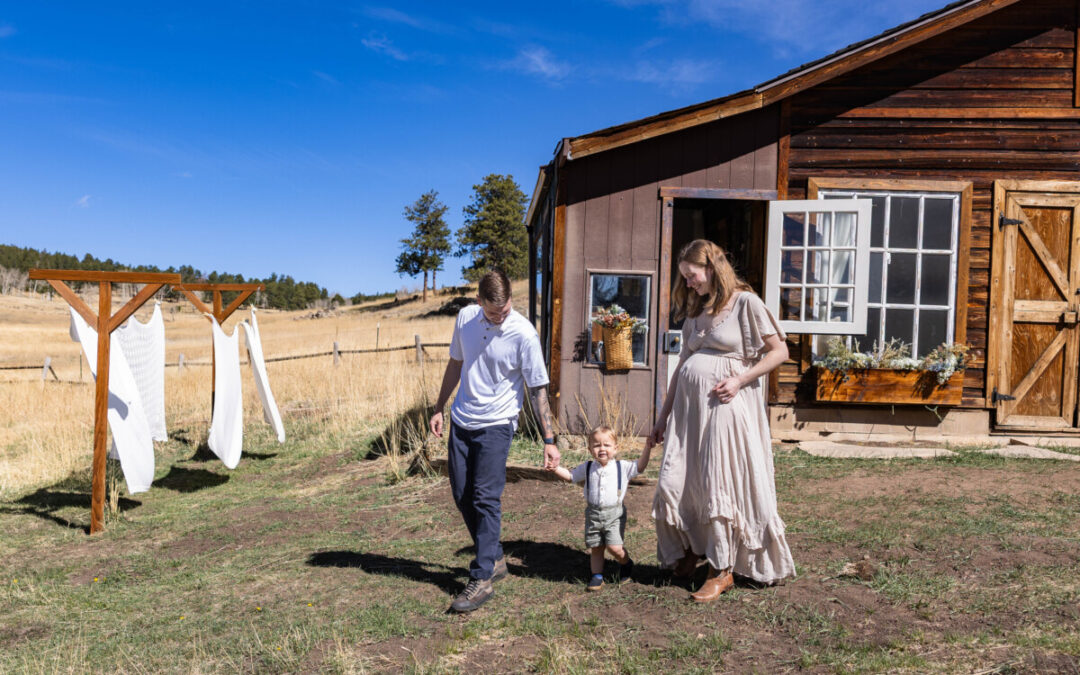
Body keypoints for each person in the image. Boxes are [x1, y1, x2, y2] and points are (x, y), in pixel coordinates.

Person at [647, 239, 795, 603]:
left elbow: (780, 351)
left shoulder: (746, 303)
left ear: (711, 268)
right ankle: (692, 550)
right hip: (689, 413)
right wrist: (662, 418)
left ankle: (721, 569)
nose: (689, 283)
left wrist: (741, 379)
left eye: (692, 275)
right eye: (685, 277)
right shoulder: (697, 311)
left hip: (725, 410)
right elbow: (682, 366)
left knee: (717, 483)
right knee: (677, 480)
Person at [430, 270, 561, 613]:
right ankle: (495, 558)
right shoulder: (465, 319)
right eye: (493, 313)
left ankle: (482, 575)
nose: (500, 318)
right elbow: (456, 363)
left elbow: (537, 389)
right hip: (462, 419)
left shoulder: (524, 334)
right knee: (461, 494)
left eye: (505, 311)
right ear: (479, 303)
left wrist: (549, 438)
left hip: (497, 424)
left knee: (485, 497)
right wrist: (439, 406)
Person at [549, 425, 652, 591]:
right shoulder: (588, 467)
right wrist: (555, 469)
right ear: (590, 449)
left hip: (614, 514)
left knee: (614, 548)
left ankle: (626, 562)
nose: (602, 449)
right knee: (596, 547)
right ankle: (597, 576)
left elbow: (640, 466)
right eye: (597, 445)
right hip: (593, 514)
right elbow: (572, 476)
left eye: (607, 445)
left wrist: (647, 448)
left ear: (615, 448)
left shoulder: (622, 467)